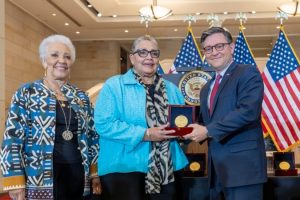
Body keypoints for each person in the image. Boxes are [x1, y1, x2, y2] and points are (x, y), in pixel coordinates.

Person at [0, 34, 101, 200]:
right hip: (40, 178)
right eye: (55, 55)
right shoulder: (27, 92)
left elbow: (92, 137)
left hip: (77, 175)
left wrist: (94, 174)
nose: (62, 60)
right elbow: (12, 139)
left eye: (67, 57)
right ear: (43, 60)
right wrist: (15, 180)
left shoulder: (81, 97)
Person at [94, 35, 188, 200]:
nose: (149, 58)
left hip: (168, 169)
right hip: (123, 170)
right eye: (142, 52)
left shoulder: (172, 89)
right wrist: (146, 134)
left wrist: (183, 133)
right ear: (132, 57)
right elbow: (104, 124)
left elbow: (181, 123)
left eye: (154, 53)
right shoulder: (114, 85)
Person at [184, 27, 267, 200]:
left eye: (219, 46)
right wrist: (180, 131)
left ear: (232, 47)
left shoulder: (247, 72)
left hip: (243, 170)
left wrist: (206, 131)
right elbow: (205, 123)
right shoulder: (206, 87)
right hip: (216, 171)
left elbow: (247, 111)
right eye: (208, 48)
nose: (214, 52)